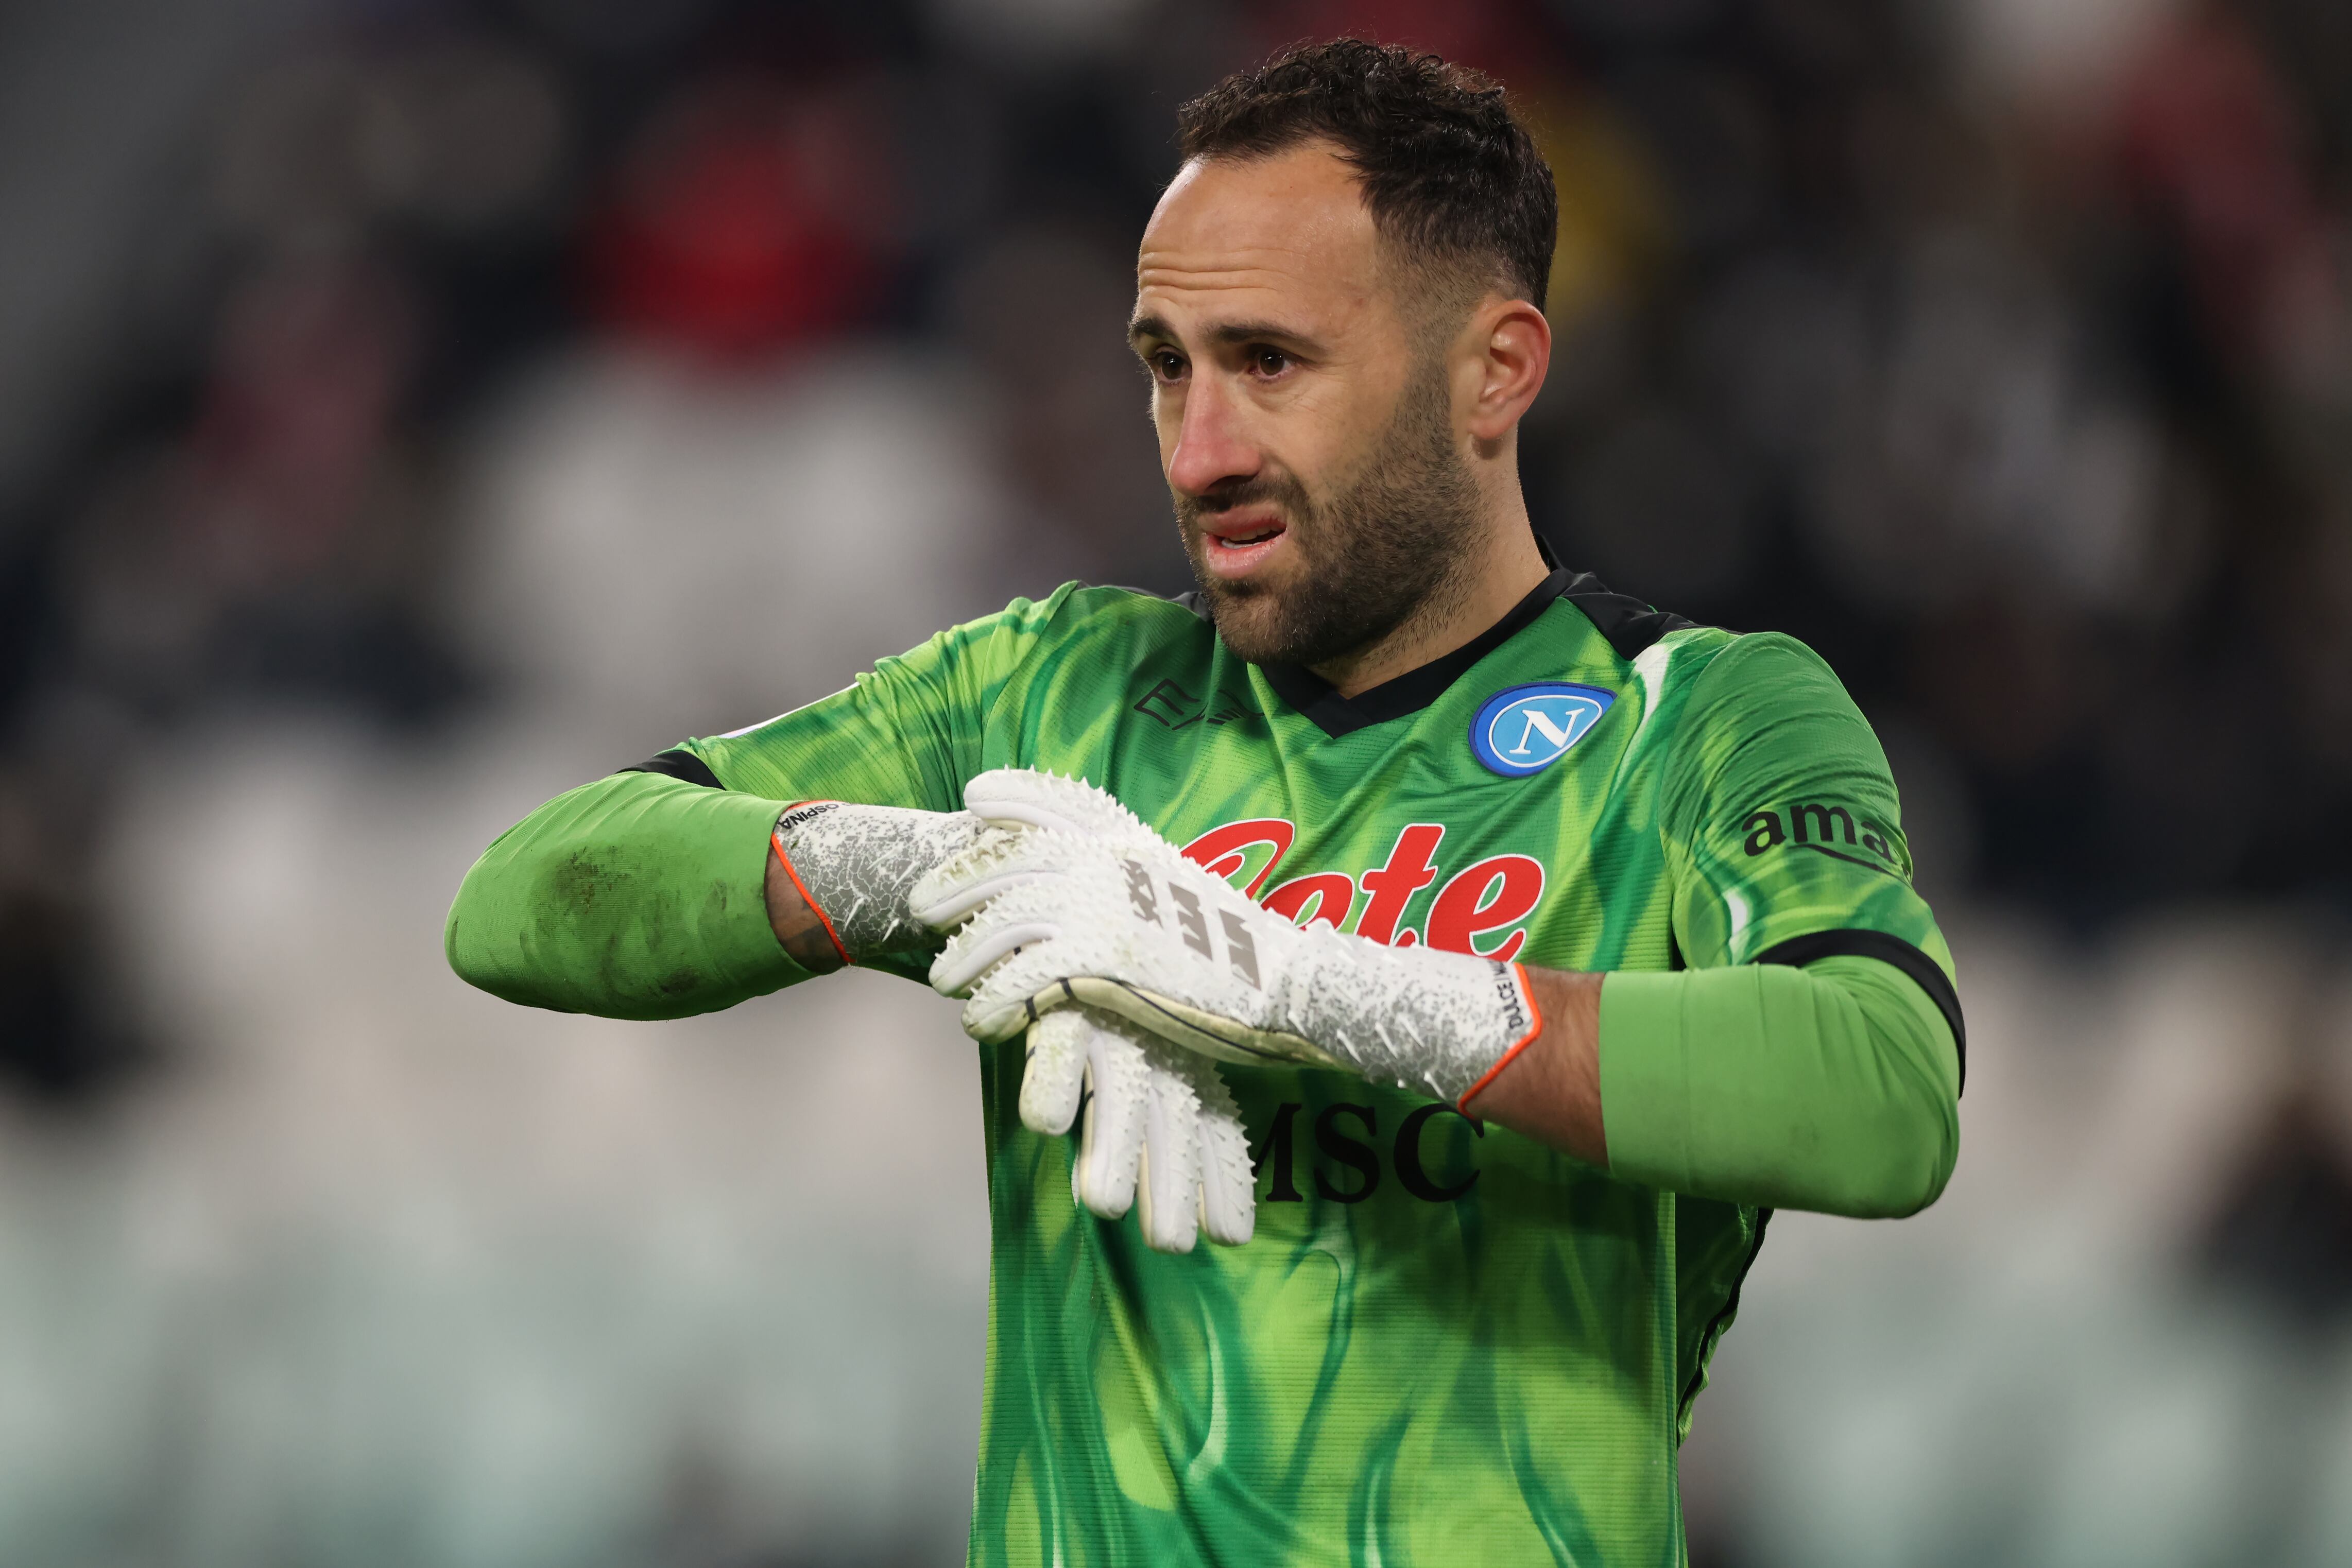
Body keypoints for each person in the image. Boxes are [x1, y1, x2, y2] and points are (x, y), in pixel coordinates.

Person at [447, 39, 1962, 1566]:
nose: (1202, 445)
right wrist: (944, 869)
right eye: (1169, 363)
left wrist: (1293, 982)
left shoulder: (1691, 718)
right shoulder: (1053, 699)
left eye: (1273, 362)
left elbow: (1886, 1093)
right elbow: (521, 896)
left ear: (1494, 369)